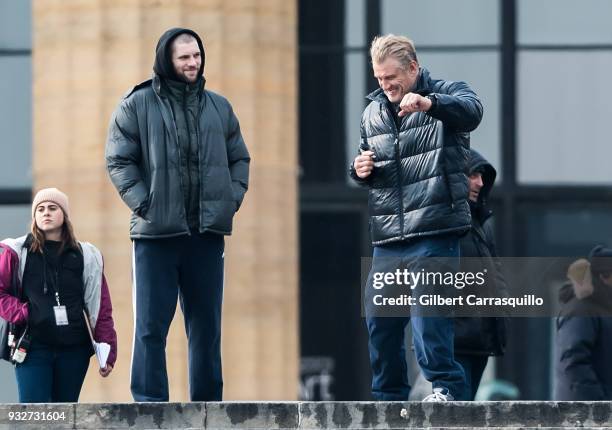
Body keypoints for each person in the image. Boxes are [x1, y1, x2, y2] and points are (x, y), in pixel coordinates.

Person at [105, 27, 250, 402]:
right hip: (156, 235)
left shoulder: (219, 106)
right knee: (150, 327)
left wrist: (230, 200)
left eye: (197, 55)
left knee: (206, 327)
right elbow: (119, 159)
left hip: (206, 234)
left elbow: (240, 158)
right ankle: (150, 403)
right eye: (184, 57)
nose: (193, 63)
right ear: (167, 60)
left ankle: (208, 403)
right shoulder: (136, 105)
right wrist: (144, 203)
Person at [350, 34, 483, 401]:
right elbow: (373, 164)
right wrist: (359, 169)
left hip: (435, 229)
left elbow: (472, 111)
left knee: (430, 320)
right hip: (390, 237)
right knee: (380, 323)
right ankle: (388, 398)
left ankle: (447, 390)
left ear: (413, 68)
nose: (385, 85)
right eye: (378, 78)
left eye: (391, 77)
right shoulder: (372, 112)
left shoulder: (445, 93)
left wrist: (430, 103)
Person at [0, 188, 117, 403]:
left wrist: (108, 348)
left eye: (53, 208)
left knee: (64, 418)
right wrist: (24, 312)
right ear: (34, 216)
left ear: (64, 215)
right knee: (36, 417)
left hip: (74, 350)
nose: (46, 213)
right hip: (32, 347)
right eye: (41, 209)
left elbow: (101, 306)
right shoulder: (17, 251)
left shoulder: (85, 255)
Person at [454, 149, 507, 400]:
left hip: (481, 340)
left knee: (467, 418)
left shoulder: (482, 226)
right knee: (453, 419)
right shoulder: (441, 222)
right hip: (452, 345)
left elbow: (495, 274)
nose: (480, 182)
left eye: (482, 176)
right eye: (473, 175)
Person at [554, 246, 612, 400]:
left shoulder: (603, 307)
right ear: (604, 277)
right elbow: (573, 361)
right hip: (584, 416)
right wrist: (599, 404)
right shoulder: (581, 309)